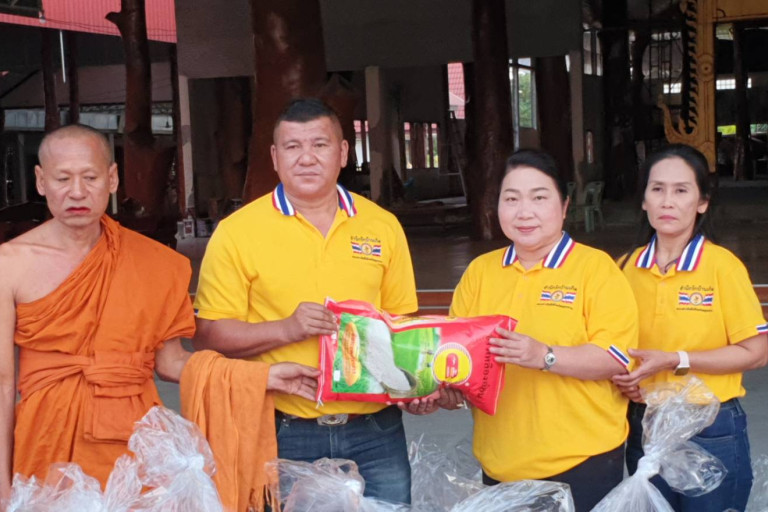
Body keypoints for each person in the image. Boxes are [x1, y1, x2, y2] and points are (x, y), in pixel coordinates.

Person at [0, 124, 318, 497]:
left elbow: (171, 363)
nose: (77, 191)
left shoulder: (151, 262)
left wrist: (261, 375)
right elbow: (3, 382)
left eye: (90, 177)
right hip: (46, 442)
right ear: (41, 181)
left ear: (112, 178)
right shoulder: (10, 264)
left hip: (136, 445)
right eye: (62, 179)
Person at [193, 98, 421, 504]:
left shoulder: (382, 226)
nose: (307, 158)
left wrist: (420, 384)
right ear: (275, 157)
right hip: (283, 426)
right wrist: (287, 329)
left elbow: (403, 326)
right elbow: (209, 335)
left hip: (376, 429)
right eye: (293, 146)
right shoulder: (237, 232)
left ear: (343, 153)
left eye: (319, 144)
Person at [446, 149, 638, 511]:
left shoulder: (596, 269)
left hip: (583, 462)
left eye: (539, 197)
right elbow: (458, 357)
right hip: (500, 462)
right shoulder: (480, 272)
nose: (524, 212)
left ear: (564, 206)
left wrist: (544, 356)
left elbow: (615, 357)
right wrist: (443, 389)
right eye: (511, 199)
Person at [613, 144, 768, 512]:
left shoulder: (722, 267)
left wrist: (675, 360)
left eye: (681, 190)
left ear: (702, 202)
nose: (667, 201)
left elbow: (757, 352)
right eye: (657, 189)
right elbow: (610, 346)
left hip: (710, 424)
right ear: (644, 200)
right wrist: (622, 379)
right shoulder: (623, 269)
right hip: (644, 422)